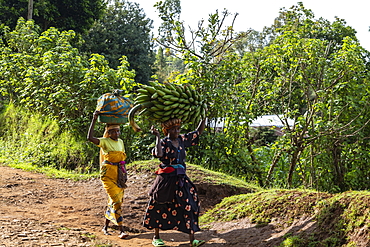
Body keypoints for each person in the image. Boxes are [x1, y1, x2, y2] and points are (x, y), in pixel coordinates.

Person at [143, 118, 206, 247]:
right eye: (173, 129)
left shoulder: (181, 140)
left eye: (178, 129)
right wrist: (158, 137)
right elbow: (159, 154)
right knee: (158, 204)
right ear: (167, 130)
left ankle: (192, 239)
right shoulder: (163, 142)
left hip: (181, 179)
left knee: (189, 203)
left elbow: (197, 132)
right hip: (166, 179)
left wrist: (203, 117)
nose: (176, 131)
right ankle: (156, 237)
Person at [87, 110, 128, 239]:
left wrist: (124, 173)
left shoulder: (120, 142)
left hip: (118, 175)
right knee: (116, 200)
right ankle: (121, 229)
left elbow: (122, 160)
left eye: (118, 131)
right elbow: (90, 138)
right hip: (107, 175)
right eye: (113, 131)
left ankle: (105, 226)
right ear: (108, 133)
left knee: (116, 201)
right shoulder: (104, 141)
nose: (116, 134)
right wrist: (94, 119)